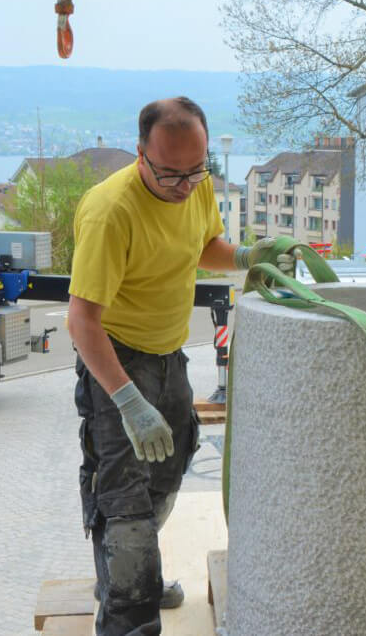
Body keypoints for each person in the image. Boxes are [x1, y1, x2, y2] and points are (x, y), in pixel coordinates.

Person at [67, 96, 291, 636]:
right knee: (124, 496)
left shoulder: (194, 179)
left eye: (197, 171)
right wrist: (125, 401)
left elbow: (202, 243)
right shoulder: (110, 211)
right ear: (141, 155)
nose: (185, 186)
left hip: (169, 353)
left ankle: (127, 571)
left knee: (170, 465)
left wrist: (243, 257)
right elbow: (81, 322)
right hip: (116, 357)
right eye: (170, 176)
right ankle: (128, 611)